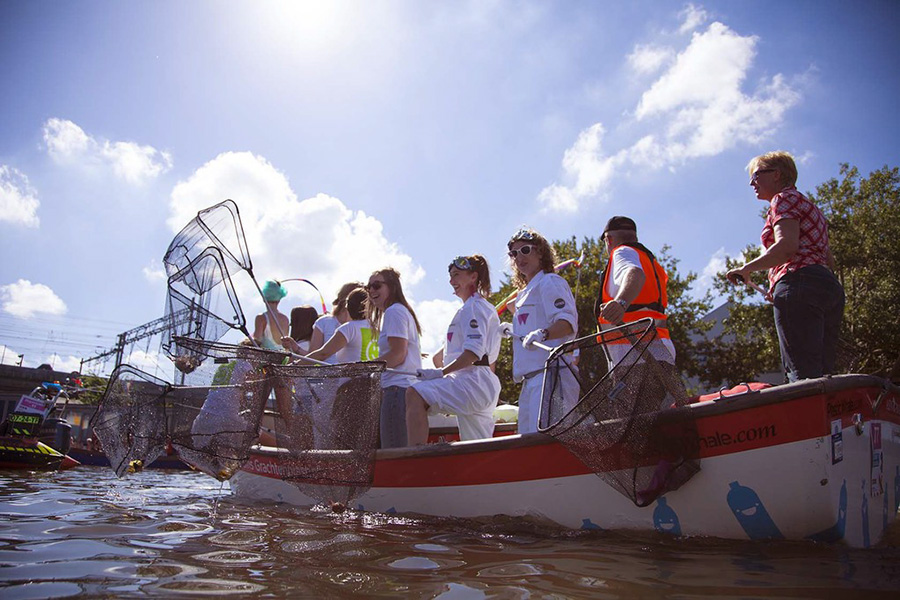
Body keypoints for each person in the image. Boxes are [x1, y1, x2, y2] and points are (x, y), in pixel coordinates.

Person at [726, 151, 845, 382]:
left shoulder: (783, 199)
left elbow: (787, 247)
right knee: (825, 372)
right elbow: (827, 259)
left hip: (799, 281)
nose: (752, 183)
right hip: (828, 288)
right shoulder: (811, 207)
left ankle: (809, 417)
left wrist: (747, 269)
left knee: (803, 375)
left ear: (777, 174)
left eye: (757, 175)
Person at [406, 255, 502, 445]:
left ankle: (414, 459)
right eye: (450, 276)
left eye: (457, 275)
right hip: (481, 383)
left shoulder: (472, 308)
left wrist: (441, 373)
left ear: (473, 277)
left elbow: (473, 353)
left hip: (471, 381)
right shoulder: (475, 308)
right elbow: (448, 356)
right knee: (478, 447)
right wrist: (436, 364)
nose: (451, 281)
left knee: (414, 393)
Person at [594, 216, 685, 410]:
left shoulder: (621, 253)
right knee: (661, 419)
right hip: (660, 353)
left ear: (608, 239)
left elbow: (634, 273)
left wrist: (620, 303)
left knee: (636, 425)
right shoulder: (648, 260)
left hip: (636, 357)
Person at [507, 227, 579, 434]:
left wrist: (543, 333)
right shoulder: (525, 294)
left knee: (548, 441)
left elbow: (566, 323)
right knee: (527, 445)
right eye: (514, 253)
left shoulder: (550, 281)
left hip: (552, 375)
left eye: (526, 250)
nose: (519, 257)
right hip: (530, 379)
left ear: (540, 252)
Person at [366, 268, 423, 448]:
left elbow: (398, 354)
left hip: (396, 390)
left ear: (392, 287)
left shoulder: (394, 312)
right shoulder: (398, 311)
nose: (372, 291)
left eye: (377, 286)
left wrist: (368, 370)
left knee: (394, 453)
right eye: (368, 288)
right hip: (402, 390)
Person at [303, 287, 378, 364]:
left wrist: (294, 366)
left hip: (347, 375)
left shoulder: (349, 328)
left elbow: (323, 354)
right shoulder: (377, 329)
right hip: (369, 375)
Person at [308, 282, 364, 363]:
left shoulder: (362, 325)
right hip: (326, 373)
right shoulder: (324, 322)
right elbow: (314, 355)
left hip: (353, 373)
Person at [253, 280, 290, 350]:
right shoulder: (285, 319)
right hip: (283, 358)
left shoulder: (261, 318)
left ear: (264, 298)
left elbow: (256, 341)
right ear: (279, 299)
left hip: (266, 358)